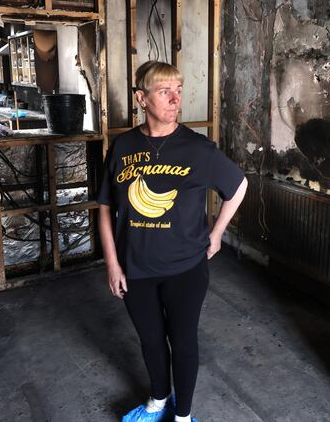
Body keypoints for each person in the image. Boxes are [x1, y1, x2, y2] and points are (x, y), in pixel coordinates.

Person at [97, 60, 248, 422]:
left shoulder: (198, 149)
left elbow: (238, 185)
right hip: (136, 268)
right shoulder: (122, 147)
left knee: (182, 342)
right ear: (141, 98)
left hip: (185, 268)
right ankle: (158, 399)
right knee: (150, 340)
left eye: (178, 91)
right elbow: (105, 207)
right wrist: (113, 264)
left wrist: (216, 234)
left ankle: (182, 416)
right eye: (164, 91)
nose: (175, 99)